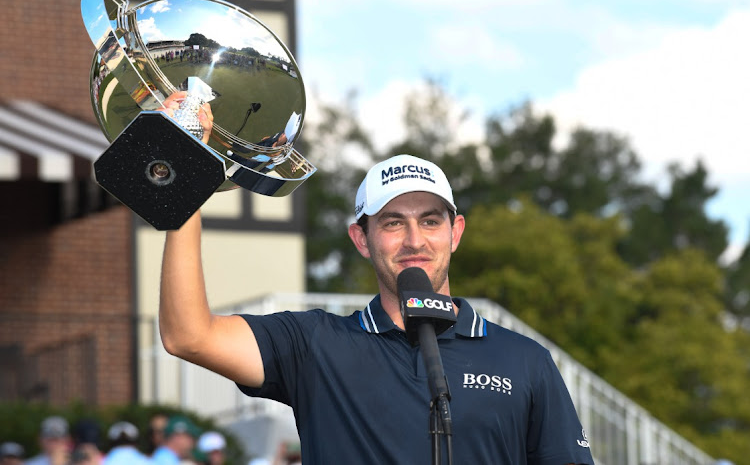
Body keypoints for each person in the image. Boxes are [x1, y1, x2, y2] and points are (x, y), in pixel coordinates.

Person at [157, 98, 594, 463]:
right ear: (361, 239)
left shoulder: (525, 361)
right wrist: (188, 175)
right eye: (392, 223)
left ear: (455, 232)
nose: (414, 240)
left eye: (430, 220)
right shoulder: (314, 344)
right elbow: (188, 336)